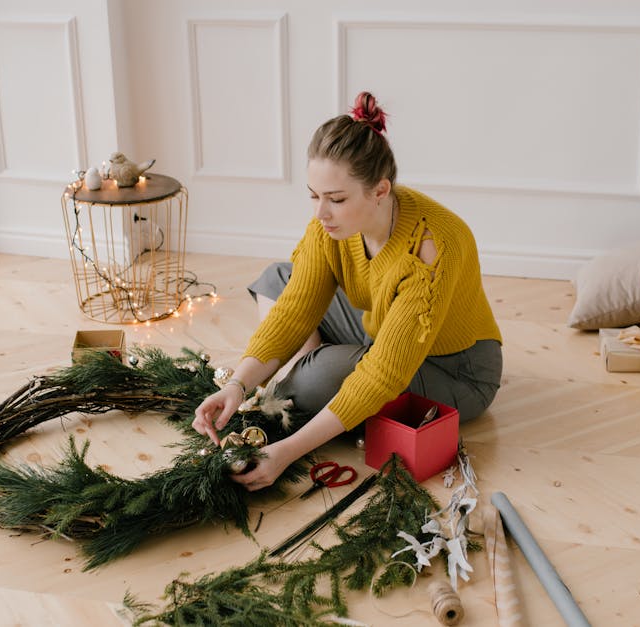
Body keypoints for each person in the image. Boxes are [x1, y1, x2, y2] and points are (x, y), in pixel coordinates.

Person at [193, 92, 502, 491]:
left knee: (311, 382)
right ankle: (312, 368)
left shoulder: (433, 245)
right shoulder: (331, 227)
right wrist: (237, 384)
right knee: (280, 278)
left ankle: (312, 371)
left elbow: (383, 374)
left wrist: (286, 451)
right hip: (382, 326)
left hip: (457, 371)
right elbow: (293, 312)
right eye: (314, 196)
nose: (320, 213)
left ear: (380, 191)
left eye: (336, 200)